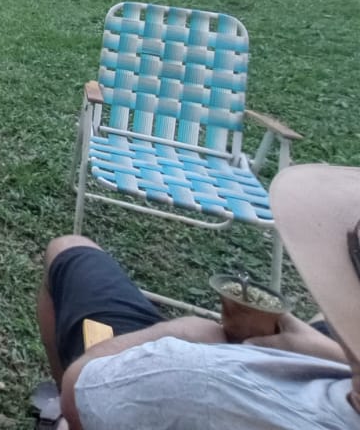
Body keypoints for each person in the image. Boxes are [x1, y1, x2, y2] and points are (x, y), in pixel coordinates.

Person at [39, 163, 360, 430]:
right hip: (323, 376)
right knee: (321, 324)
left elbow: (80, 389)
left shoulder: (198, 378)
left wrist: (179, 333)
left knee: (68, 252)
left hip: (159, 382)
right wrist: (325, 352)